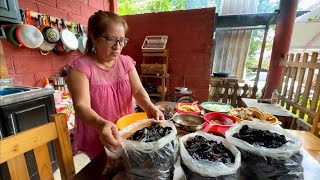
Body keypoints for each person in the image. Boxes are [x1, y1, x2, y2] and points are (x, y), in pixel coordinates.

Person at [67, 10, 164, 159]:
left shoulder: (126, 62)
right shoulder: (81, 68)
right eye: (111, 40)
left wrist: (150, 106)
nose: (118, 47)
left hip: (126, 130)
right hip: (99, 131)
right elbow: (82, 107)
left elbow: (138, 90)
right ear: (94, 37)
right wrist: (101, 124)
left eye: (122, 40)